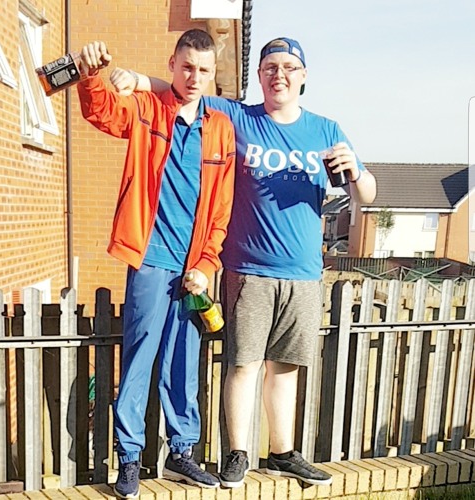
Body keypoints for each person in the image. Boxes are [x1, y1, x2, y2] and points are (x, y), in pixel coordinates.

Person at [114, 36, 377, 489]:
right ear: (259, 75)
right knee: (244, 365)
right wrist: (136, 79)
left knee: (285, 367)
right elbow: (185, 86)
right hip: (248, 269)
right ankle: (237, 454)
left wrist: (356, 171)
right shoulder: (237, 117)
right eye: (271, 67)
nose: (280, 75)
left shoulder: (326, 130)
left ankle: (282, 453)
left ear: (304, 76)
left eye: (289, 67)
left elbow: (366, 195)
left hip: (303, 273)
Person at [76, 29, 236, 497]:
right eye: (186, 67)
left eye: (203, 70)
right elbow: (103, 111)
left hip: (193, 271)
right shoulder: (148, 109)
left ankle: (181, 453)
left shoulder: (220, 129)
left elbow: (221, 210)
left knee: (184, 361)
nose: (194, 77)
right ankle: (129, 457)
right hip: (149, 257)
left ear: (212, 73)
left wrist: (206, 263)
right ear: (172, 65)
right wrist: (91, 75)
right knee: (140, 357)